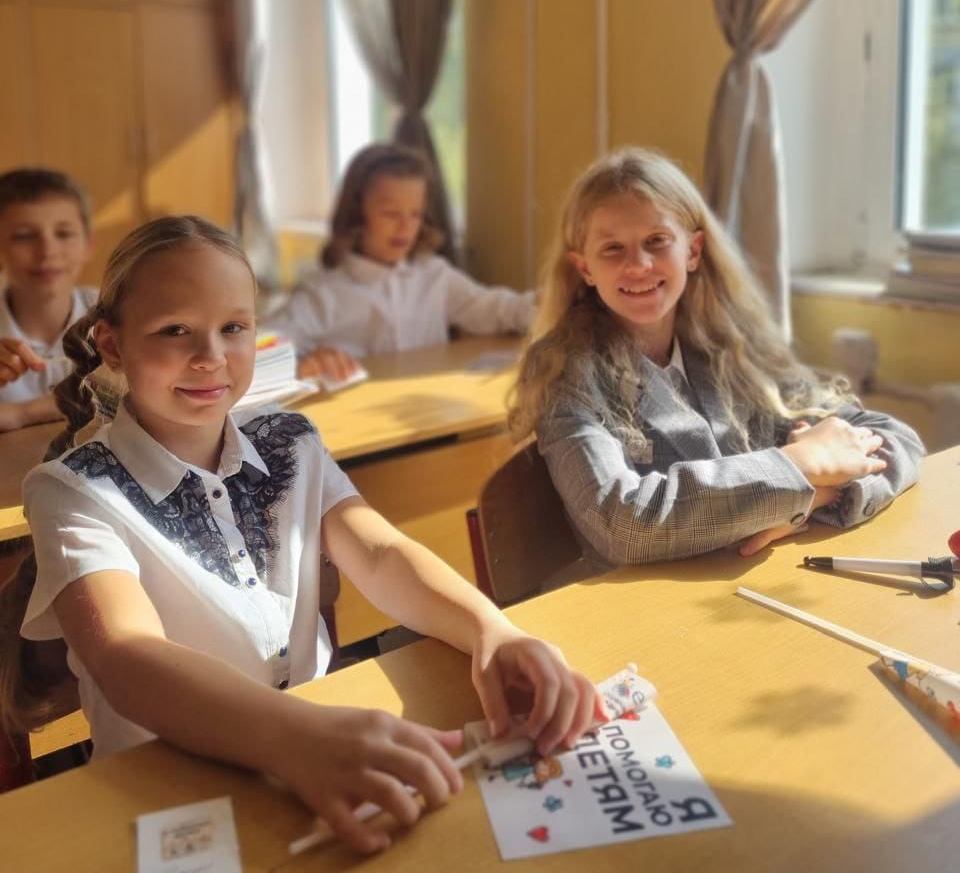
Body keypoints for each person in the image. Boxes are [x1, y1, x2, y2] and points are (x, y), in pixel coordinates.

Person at [0, 216, 600, 855]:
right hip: (173, 786)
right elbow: (126, 656)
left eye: (234, 327)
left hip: (319, 754)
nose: (211, 356)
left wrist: (491, 632)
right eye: (175, 330)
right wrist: (296, 739)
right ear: (113, 346)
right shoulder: (73, 488)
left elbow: (380, 552)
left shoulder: (290, 440)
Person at [509, 148, 924, 571]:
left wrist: (816, 497)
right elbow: (623, 525)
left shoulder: (730, 344)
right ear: (585, 269)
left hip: (751, 579)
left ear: (693, 251)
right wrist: (798, 466)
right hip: (645, 599)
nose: (638, 264)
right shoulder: (565, 370)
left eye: (656, 241)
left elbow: (898, 438)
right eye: (613, 248)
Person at [267, 144, 534, 384]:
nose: (405, 226)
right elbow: (264, 347)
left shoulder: (435, 275)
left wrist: (548, 304)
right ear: (356, 214)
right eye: (391, 213)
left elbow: (495, 309)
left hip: (431, 411)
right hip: (359, 417)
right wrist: (304, 362)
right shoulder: (322, 293)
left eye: (416, 214)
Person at [0, 168, 96, 432]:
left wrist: (20, 413)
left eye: (63, 234)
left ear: (88, 245)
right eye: (24, 236)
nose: (47, 251)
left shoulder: (120, 314)